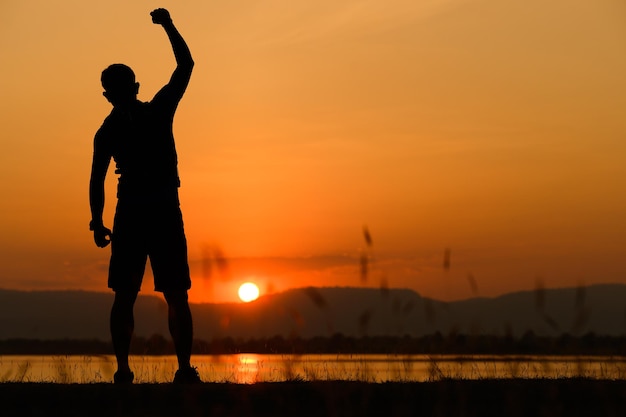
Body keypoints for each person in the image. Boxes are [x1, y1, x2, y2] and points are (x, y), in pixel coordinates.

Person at [89, 8, 200, 384]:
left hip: (134, 214)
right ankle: (181, 370)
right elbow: (186, 65)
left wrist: (98, 222)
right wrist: (168, 26)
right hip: (159, 211)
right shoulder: (153, 114)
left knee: (127, 295)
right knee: (173, 295)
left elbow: (96, 181)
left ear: (107, 95)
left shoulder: (110, 129)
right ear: (134, 89)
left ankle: (125, 370)